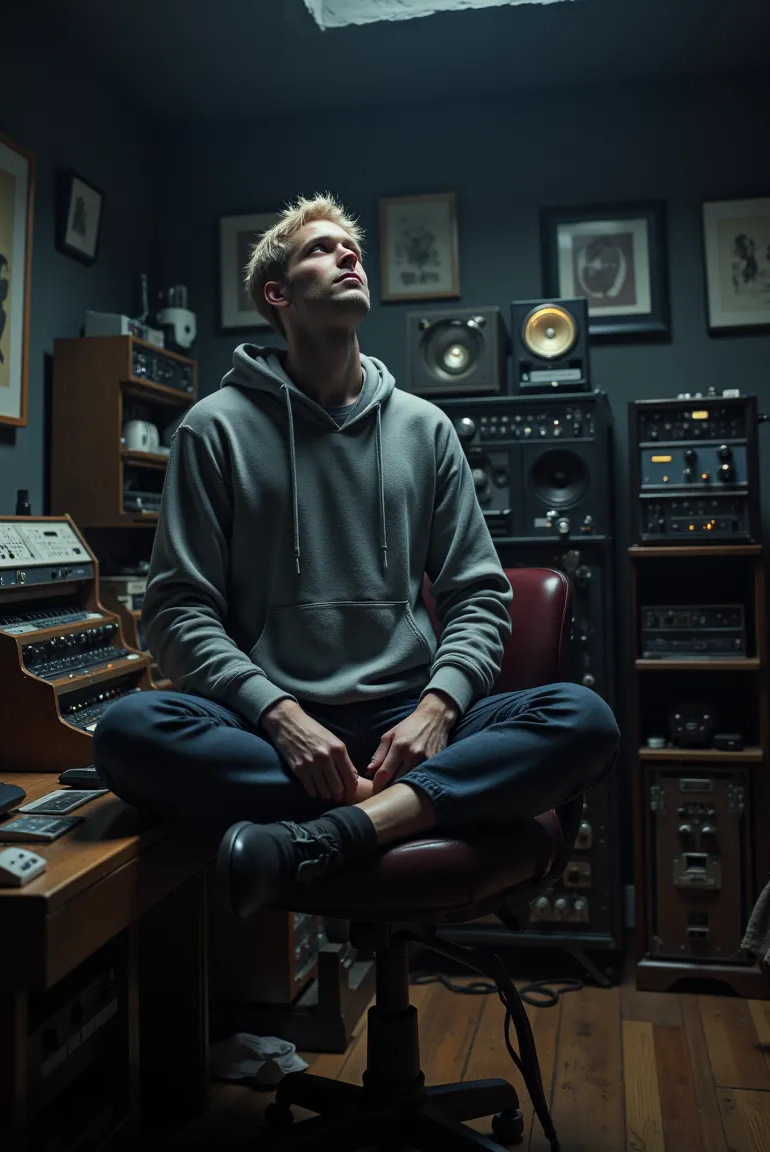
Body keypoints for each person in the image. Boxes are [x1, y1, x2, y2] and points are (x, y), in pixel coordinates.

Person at [92, 194, 620, 918]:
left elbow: (479, 596)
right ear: (277, 295)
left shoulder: (425, 429)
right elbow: (178, 611)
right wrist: (279, 715)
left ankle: (338, 831)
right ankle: (401, 812)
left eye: (353, 249)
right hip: (277, 730)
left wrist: (438, 708)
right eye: (321, 248)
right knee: (126, 735)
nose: (347, 256)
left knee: (586, 720)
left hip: (413, 718)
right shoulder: (211, 430)